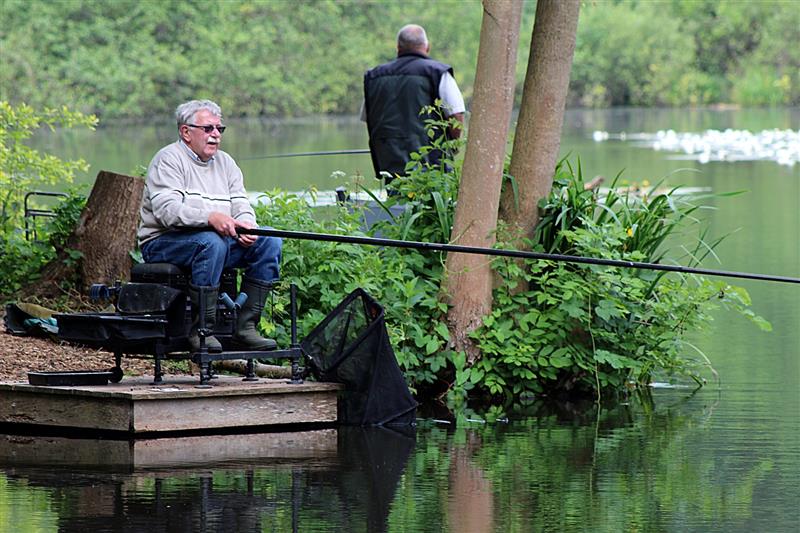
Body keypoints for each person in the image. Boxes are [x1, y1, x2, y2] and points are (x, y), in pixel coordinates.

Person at [137, 99, 281, 353]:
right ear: (186, 132)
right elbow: (167, 212)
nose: (216, 134)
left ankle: (245, 328)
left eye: (219, 128)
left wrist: (247, 224)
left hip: (213, 242)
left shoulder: (226, 163)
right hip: (163, 242)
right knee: (211, 242)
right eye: (208, 128)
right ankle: (202, 330)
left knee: (269, 240)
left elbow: (240, 203)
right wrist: (211, 218)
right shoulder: (168, 159)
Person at [362, 24, 466, 188]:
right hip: (432, 166)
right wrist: (452, 146)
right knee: (433, 203)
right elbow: (456, 115)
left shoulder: (374, 77)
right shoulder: (437, 72)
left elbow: (368, 117)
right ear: (427, 47)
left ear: (398, 47)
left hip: (390, 164)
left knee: (396, 201)